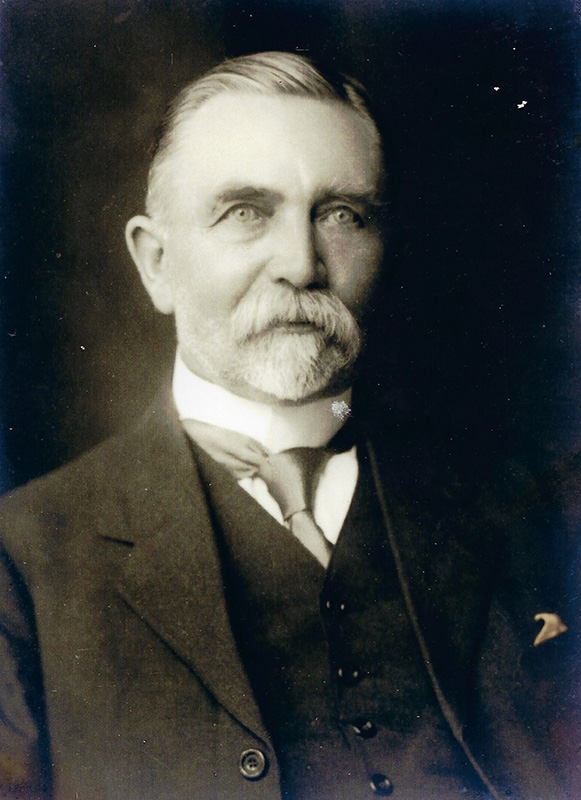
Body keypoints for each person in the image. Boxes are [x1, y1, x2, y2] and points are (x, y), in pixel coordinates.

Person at [0, 51, 575, 800]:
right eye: (246, 212)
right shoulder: (23, 559)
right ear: (157, 263)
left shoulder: (536, 508)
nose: (302, 265)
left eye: (342, 215)